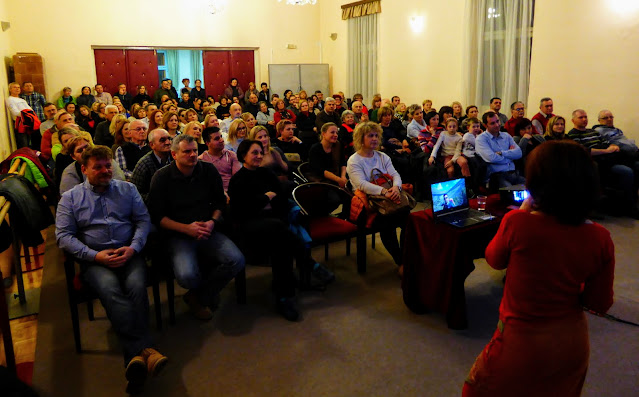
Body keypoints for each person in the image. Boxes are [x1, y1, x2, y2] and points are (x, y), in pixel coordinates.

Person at [462, 140, 614, 397]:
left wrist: (521, 212)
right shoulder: (601, 237)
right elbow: (599, 303)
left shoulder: (518, 222)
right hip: (572, 345)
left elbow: (494, 259)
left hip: (521, 342)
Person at [56, 145, 167, 393]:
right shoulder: (71, 198)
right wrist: (95, 256)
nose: (106, 170)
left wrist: (134, 248)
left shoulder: (127, 189)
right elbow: (63, 236)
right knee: (110, 290)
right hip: (96, 260)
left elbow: (142, 220)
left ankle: (136, 360)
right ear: (84, 169)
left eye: (108, 166)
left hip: (129, 253)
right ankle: (145, 350)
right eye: (98, 167)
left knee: (137, 287)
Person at [228, 140, 334, 322]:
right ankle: (309, 264)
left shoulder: (266, 173)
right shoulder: (238, 180)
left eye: (261, 153)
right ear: (243, 155)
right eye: (254, 153)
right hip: (249, 227)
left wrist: (263, 200)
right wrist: (265, 197)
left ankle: (285, 298)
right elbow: (242, 211)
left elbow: (281, 195)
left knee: (281, 247)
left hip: (273, 224)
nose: (259, 156)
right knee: (278, 228)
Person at [147, 134, 245, 321]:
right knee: (186, 277)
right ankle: (204, 293)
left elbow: (219, 202)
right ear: (174, 155)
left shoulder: (208, 170)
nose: (192, 155)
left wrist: (212, 222)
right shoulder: (162, 177)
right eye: (187, 152)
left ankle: (198, 297)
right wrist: (186, 229)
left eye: (195, 151)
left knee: (237, 261)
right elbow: (157, 216)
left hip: (207, 228)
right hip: (179, 234)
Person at [346, 122, 409, 275]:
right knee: (388, 224)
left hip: (388, 197)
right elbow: (361, 184)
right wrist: (384, 192)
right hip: (368, 204)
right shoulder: (354, 160)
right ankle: (401, 262)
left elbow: (395, 175)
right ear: (361, 138)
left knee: (409, 220)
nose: (374, 139)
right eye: (370, 136)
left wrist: (396, 188)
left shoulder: (382, 156)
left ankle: (407, 259)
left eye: (376, 136)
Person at [567, 109, 639, 218]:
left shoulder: (593, 132)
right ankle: (630, 208)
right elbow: (584, 151)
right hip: (598, 164)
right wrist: (606, 151)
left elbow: (606, 144)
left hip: (609, 158)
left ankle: (632, 201)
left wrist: (611, 148)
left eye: (585, 117)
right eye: (581, 117)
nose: (584, 119)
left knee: (637, 165)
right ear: (573, 120)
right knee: (626, 172)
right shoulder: (572, 134)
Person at [59, 136, 125, 195]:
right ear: (73, 156)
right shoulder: (69, 172)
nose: (85, 151)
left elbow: (120, 184)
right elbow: (70, 197)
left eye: (86, 147)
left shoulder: (108, 162)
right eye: (80, 150)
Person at [475, 111, 524, 189]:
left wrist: (502, 153)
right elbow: (491, 158)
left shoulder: (506, 136)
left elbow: (519, 153)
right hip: (497, 176)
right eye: (492, 123)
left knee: (534, 188)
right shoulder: (481, 139)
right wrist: (511, 156)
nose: (497, 125)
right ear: (485, 125)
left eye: (497, 121)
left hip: (514, 173)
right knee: (512, 194)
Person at [131, 129, 172, 203]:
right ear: (152, 145)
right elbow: (134, 193)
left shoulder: (174, 158)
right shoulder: (144, 164)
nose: (168, 142)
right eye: (162, 140)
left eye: (169, 139)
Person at [199, 127, 241, 193]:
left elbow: (237, 178)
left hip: (232, 192)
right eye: (217, 139)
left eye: (221, 136)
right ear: (207, 143)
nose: (222, 140)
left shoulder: (231, 155)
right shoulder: (201, 160)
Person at [308, 123, 347, 187]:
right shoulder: (315, 149)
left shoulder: (338, 145)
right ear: (323, 134)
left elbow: (343, 163)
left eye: (337, 133)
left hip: (338, 178)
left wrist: (343, 177)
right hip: (322, 182)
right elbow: (320, 170)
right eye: (332, 132)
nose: (336, 135)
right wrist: (338, 179)